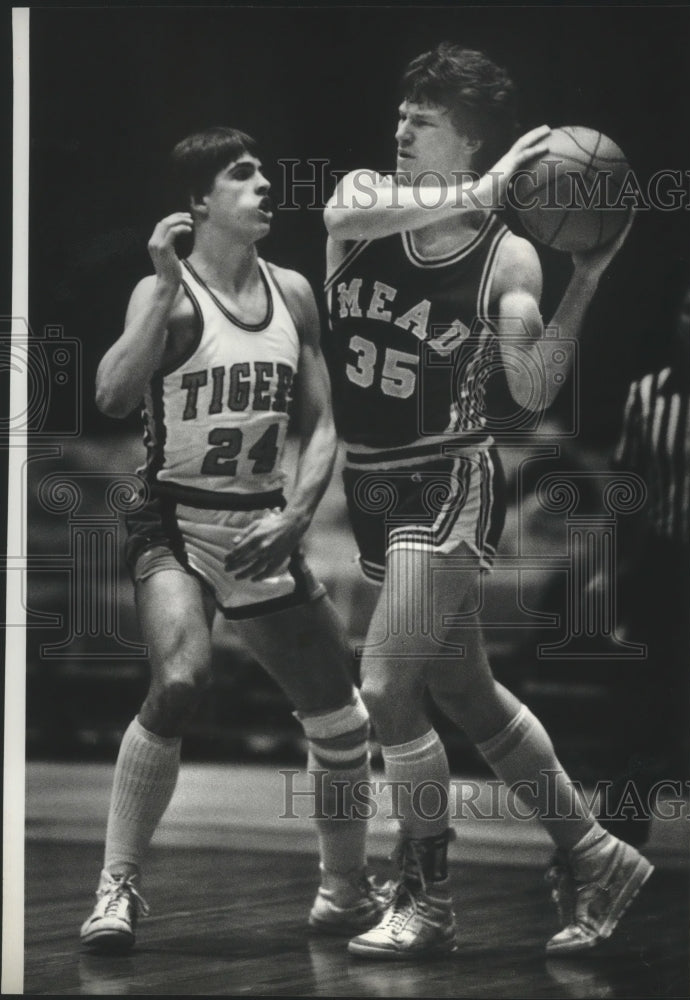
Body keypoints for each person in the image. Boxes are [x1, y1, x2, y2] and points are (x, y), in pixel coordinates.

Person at [323, 42, 652, 959]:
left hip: (447, 480)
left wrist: (583, 283)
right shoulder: (359, 202)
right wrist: (490, 185)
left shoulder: (508, 256)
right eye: (400, 113)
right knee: (463, 689)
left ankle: (427, 898)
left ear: (470, 142)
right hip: (369, 486)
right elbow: (341, 204)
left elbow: (534, 388)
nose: (398, 129)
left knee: (386, 687)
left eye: (422, 121)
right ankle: (594, 850)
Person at [81, 126, 385, 953]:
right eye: (240, 175)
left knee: (341, 713)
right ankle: (117, 887)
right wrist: (162, 281)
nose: (262, 184)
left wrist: (294, 515)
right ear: (196, 203)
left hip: (262, 521)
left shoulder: (293, 293)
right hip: (174, 516)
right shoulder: (166, 295)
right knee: (180, 680)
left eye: (260, 171)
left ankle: (344, 892)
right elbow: (112, 395)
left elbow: (325, 428)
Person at [597, 283, 690, 845]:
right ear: (676, 321)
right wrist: (611, 573)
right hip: (664, 563)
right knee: (642, 704)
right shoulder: (648, 395)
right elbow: (624, 492)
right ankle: (621, 841)